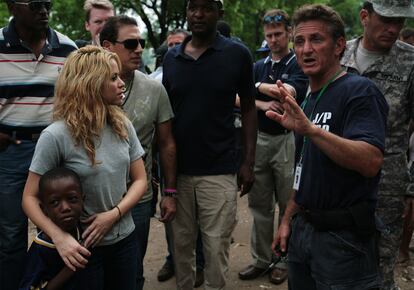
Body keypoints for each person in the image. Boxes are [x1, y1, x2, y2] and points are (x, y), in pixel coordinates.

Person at [268, 4, 388, 289]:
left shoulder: (359, 91)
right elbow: (303, 167)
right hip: (303, 232)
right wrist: (287, 220)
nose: (306, 49)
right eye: (299, 41)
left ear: (339, 46)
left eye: (316, 39)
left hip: (344, 241)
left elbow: (371, 161)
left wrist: (311, 129)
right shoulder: (308, 100)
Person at [22, 46, 148, 289]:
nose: (121, 83)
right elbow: (29, 197)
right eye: (113, 78)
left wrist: (113, 215)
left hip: (125, 241)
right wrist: (60, 239)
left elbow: (140, 179)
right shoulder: (56, 136)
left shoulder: (122, 124)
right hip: (81, 249)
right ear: (90, 84)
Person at [162, 0, 257, 289]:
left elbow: (250, 108)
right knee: (181, 248)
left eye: (206, 8)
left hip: (219, 170)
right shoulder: (171, 58)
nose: (198, 14)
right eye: (193, 7)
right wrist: (164, 178)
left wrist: (248, 162)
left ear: (220, 13)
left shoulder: (237, 54)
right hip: (178, 173)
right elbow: (165, 119)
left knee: (216, 249)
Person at [0, 1, 77, 288]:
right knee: (10, 235)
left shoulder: (67, 48)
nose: (43, 10)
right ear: (12, 5)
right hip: (9, 152)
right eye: (34, 4)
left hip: (56, 151)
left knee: (62, 226)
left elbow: (76, 98)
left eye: (47, 3)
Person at [100, 15, 177, 290]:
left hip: (139, 199)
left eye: (141, 42)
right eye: (131, 43)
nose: (139, 49)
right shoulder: (86, 88)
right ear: (107, 46)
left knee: (132, 271)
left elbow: (166, 143)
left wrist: (169, 193)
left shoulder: (154, 90)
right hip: (94, 197)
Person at [341, 1, 414, 289]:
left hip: (387, 177)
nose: (394, 28)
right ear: (364, 17)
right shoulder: (338, 53)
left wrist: (411, 186)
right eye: (386, 20)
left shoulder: (410, 61)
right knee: (339, 251)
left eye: (399, 22)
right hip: (339, 173)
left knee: (382, 259)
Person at [238, 8, 307, 285]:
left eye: (279, 34)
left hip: (288, 140)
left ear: (289, 33)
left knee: (287, 203)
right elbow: (238, 97)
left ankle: (284, 260)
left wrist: (255, 86)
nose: (274, 40)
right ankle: (260, 259)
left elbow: (287, 92)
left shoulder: (297, 63)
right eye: (269, 35)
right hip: (261, 139)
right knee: (259, 205)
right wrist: (262, 99)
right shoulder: (259, 65)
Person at [19, 168, 86, 290]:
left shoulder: (83, 231)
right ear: (44, 210)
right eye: (55, 202)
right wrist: (69, 271)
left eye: (72, 199)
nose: (65, 208)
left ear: (83, 200)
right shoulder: (40, 250)